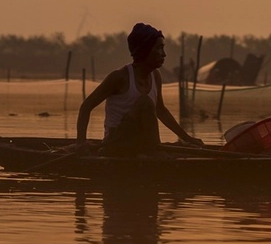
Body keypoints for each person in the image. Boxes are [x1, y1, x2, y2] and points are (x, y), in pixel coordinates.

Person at [76, 23, 204, 156]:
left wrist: (187, 138)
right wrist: (81, 143)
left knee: (184, 146)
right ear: (145, 51)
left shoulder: (155, 76)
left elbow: (160, 110)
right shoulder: (120, 77)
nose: (164, 54)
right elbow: (86, 106)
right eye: (159, 48)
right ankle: (156, 153)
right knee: (145, 102)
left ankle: (155, 150)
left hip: (142, 143)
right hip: (115, 144)